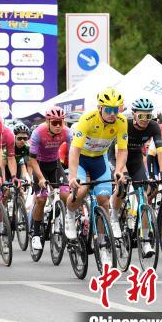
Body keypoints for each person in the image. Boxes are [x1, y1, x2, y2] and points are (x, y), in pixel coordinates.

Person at [65, 87, 128, 265]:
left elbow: (122, 150)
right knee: (81, 190)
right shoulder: (87, 120)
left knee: (104, 201)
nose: (112, 114)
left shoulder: (121, 121)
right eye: (108, 109)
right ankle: (70, 215)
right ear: (100, 108)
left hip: (100, 159)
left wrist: (119, 170)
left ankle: (102, 244)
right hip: (82, 159)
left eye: (116, 109)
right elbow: (75, 151)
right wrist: (72, 176)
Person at [108, 97, 162, 256]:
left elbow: (161, 151)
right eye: (141, 116)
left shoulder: (154, 126)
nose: (145, 119)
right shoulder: (124, 124)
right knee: (122, 185)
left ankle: (146, 241)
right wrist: (123, 173)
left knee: (143, 198)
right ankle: (114, 215)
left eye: (148, 116)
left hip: (136, 159)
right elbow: (119, 151)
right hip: (117, 156)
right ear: (134, 114)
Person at [28, 107, 70, 251]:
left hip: (55, 164)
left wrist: (75, 175)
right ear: (48, 121)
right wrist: (40, 178)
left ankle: (57, 218)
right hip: (39, 165)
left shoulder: (67, 132)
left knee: (66, 195)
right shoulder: (38, 133)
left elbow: (74, 153)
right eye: (55, 123)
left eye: (61, 122)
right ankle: (36, 234)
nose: (58, 126)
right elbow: (32, 160)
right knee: (41, 199)